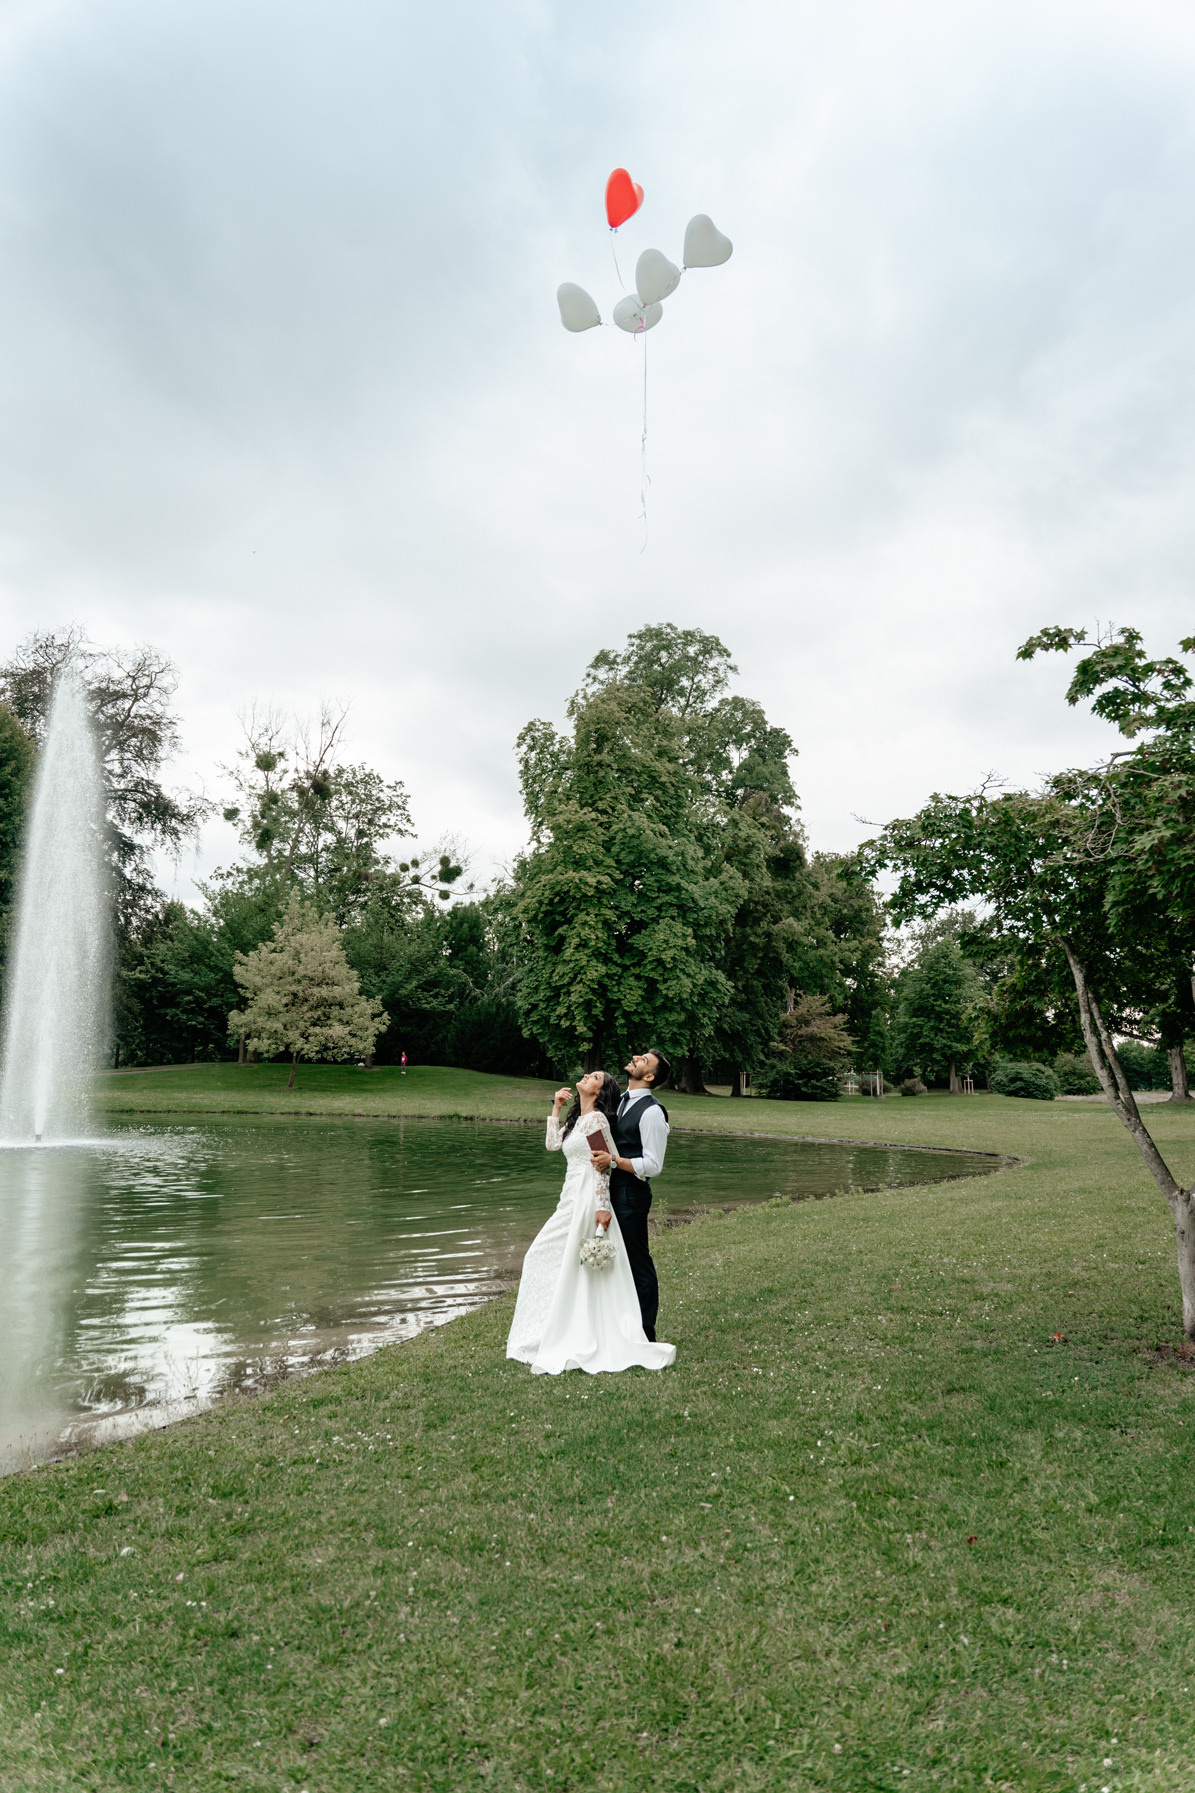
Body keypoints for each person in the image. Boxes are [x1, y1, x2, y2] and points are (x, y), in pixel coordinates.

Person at [506, 1069, 676, 1376]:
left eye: (594, 1076)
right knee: (553, 1261)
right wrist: (556, 1108)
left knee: (548, 1258)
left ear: (600, 1090)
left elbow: (603, 1165)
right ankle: (551, 1329)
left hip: (587, 1199)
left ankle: (580, 1332)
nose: (586, 1075)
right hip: (569, 1196)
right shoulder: (579, 1119)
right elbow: (552, 1145)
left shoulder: (597, 1120)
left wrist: (601, 1207)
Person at [590, 1049, 670, 1342]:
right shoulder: (620, 1100)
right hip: (610, 1191)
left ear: (649, 1076)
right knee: (616, 1261)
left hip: (631, 1194)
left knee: (637, 1262)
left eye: (644, 1060)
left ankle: (646, 1334)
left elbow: (653, 1165)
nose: (636, 1057)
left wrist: (613, 1160)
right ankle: (616, 1325)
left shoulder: (652, 1112)